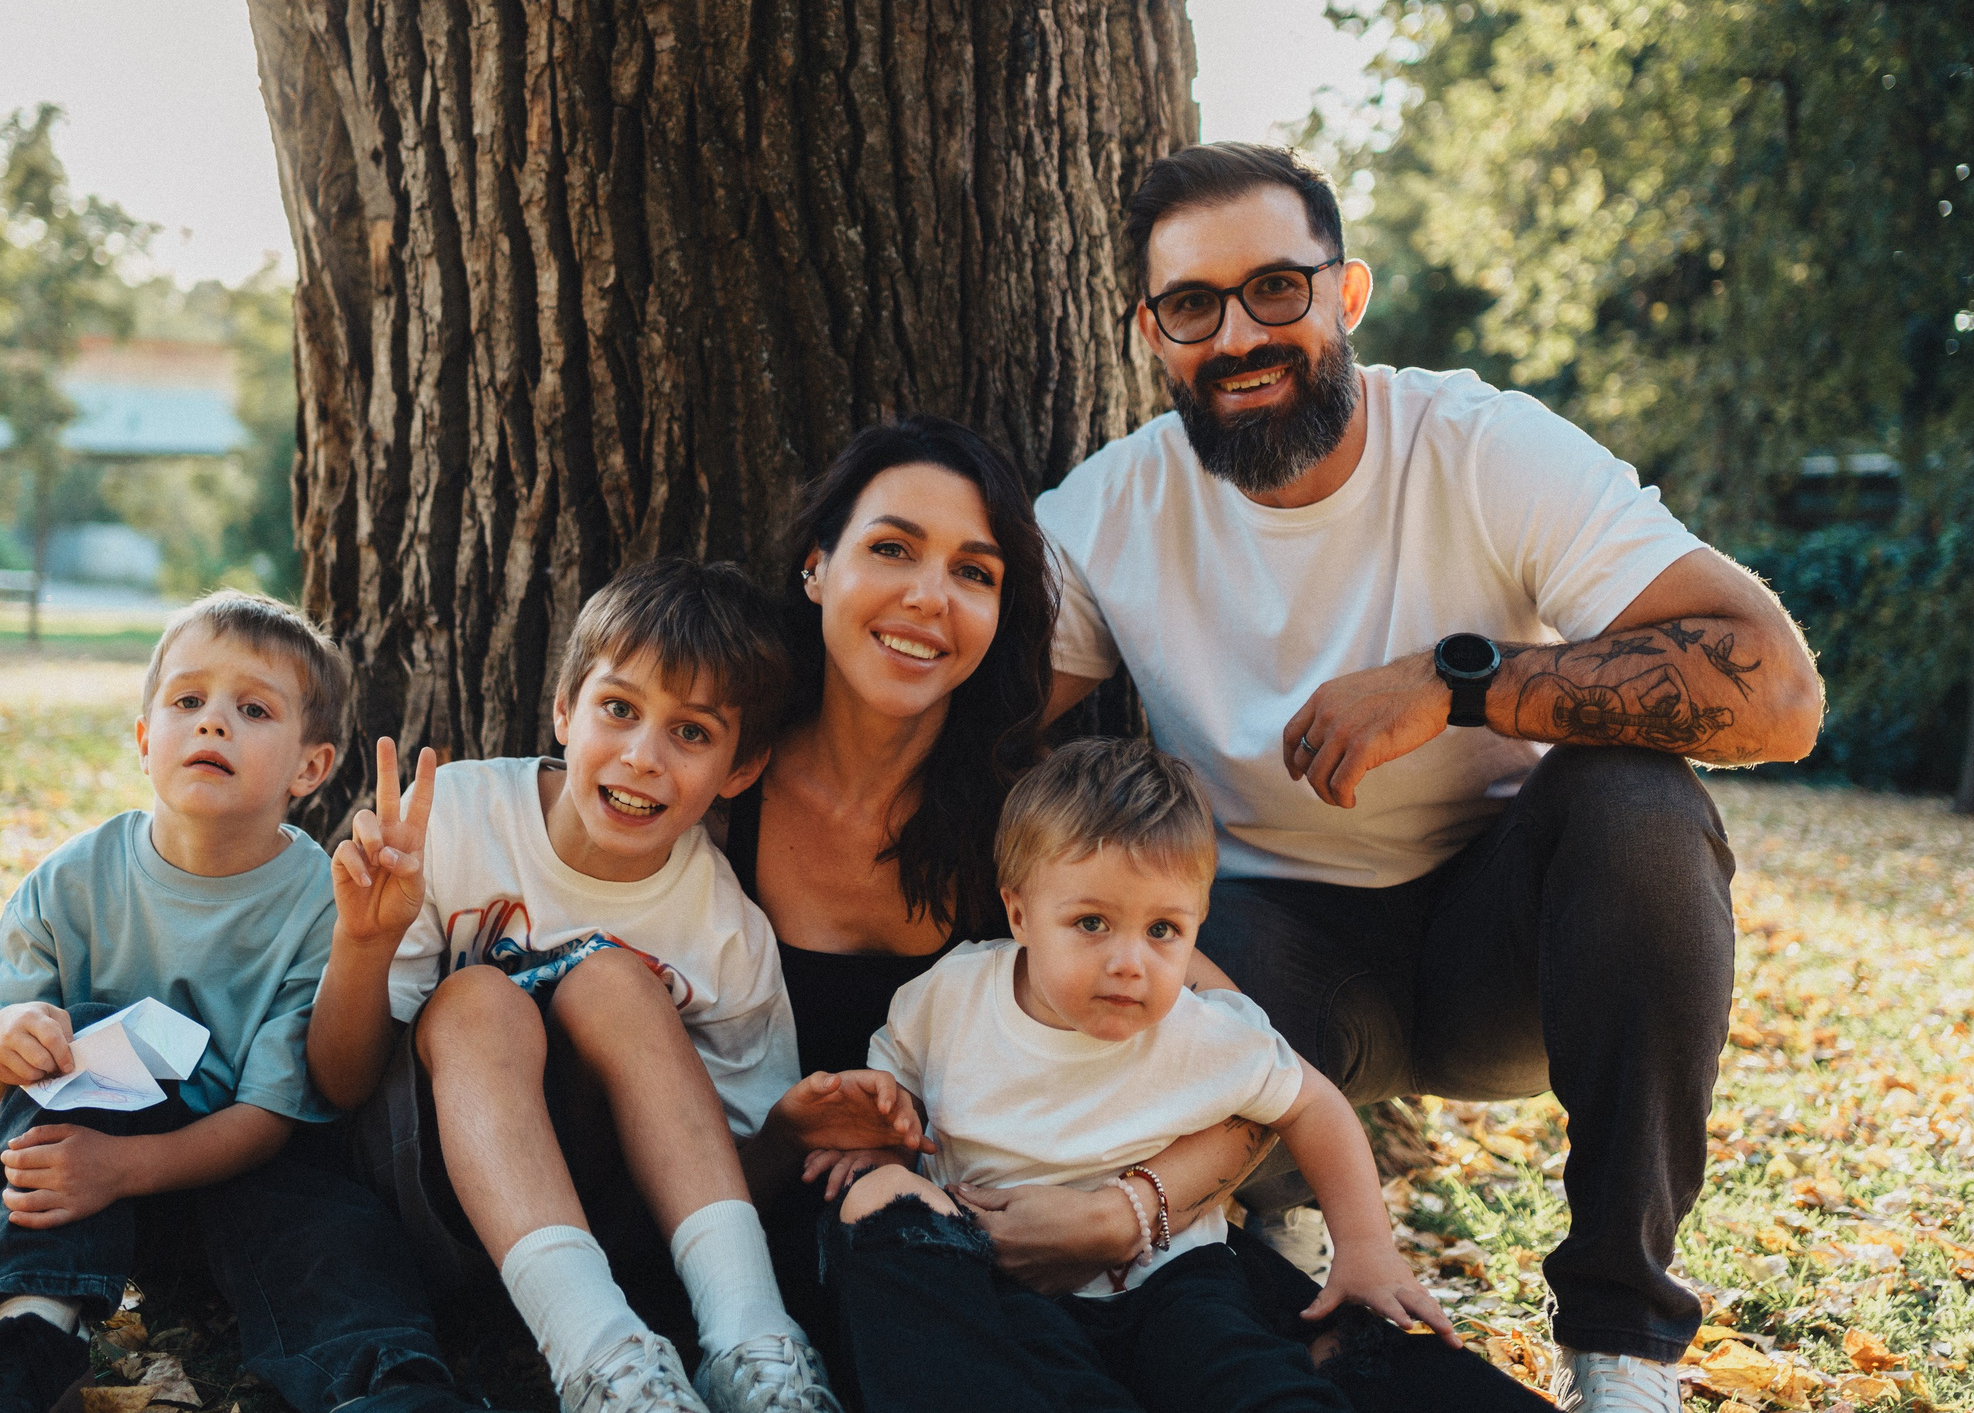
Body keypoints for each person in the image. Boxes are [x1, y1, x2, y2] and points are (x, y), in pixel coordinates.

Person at [1033, 141, 1825, 1412]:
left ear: (1345, 294)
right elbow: (964, 737)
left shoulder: (1481, 447)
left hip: (1501, 952)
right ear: (1149, 333)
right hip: (1267, 959)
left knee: (1637, 806)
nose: (1238, 336)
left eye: (1275, 289)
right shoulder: (1106, 512)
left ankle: (1622, 1346)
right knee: (1161, 916)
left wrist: (1460, 682)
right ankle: (1273, 1223)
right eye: (1192, 305)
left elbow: (1777, 694)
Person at [724, 418, 1530, 1411]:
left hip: (1136, 1265)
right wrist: (803, 1146)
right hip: (880, 1271)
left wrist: (1123, 1213)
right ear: (816, 566)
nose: (930, 596)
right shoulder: (717, 784)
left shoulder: (1040, 833)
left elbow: (1245, 1064)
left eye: (974, 572)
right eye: (892, 548)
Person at [307, 559, 843, 1413]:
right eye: (619, 709)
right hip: (427, 1204)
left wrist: (786, 1134)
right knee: (479, 998)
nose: (642, 756)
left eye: (691, 732)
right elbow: (338, 1082)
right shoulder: (456, 819)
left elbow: (723, 1171)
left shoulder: (724, 928)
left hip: (615, 1229)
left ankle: (751, 1345)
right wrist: (364, 942)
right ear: (564, 709)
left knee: (616, 982)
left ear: (740, 768)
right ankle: (601, 1364)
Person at [0, 591, 479, 1413]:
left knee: (333, 1222)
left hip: (248, 1174)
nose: (213, 722)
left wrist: (124, 1168)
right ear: (144, 738)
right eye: (188, 700)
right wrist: (3, 1041)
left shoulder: (321, 900)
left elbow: (272, 1117)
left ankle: (390, 1377)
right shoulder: (73, 878)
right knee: (75, 1041)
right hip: (88, 1191)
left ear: (309, 767)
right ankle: (27, 1338)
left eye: (253, 708)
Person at [810, 737, 1455, 1413]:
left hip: (1173, 1279)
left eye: (1163, 930)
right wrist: (885, 1130)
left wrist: (1366, 1246)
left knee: (1244, 1374)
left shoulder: (1204, 1032)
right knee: (1035, 1374)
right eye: (1092, 922)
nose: (1130, 963)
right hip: (1008, 1279)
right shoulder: (951, 998)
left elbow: (1313, 1103)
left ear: (1198, 923)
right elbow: (899, 1092)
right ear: (1020, 913)